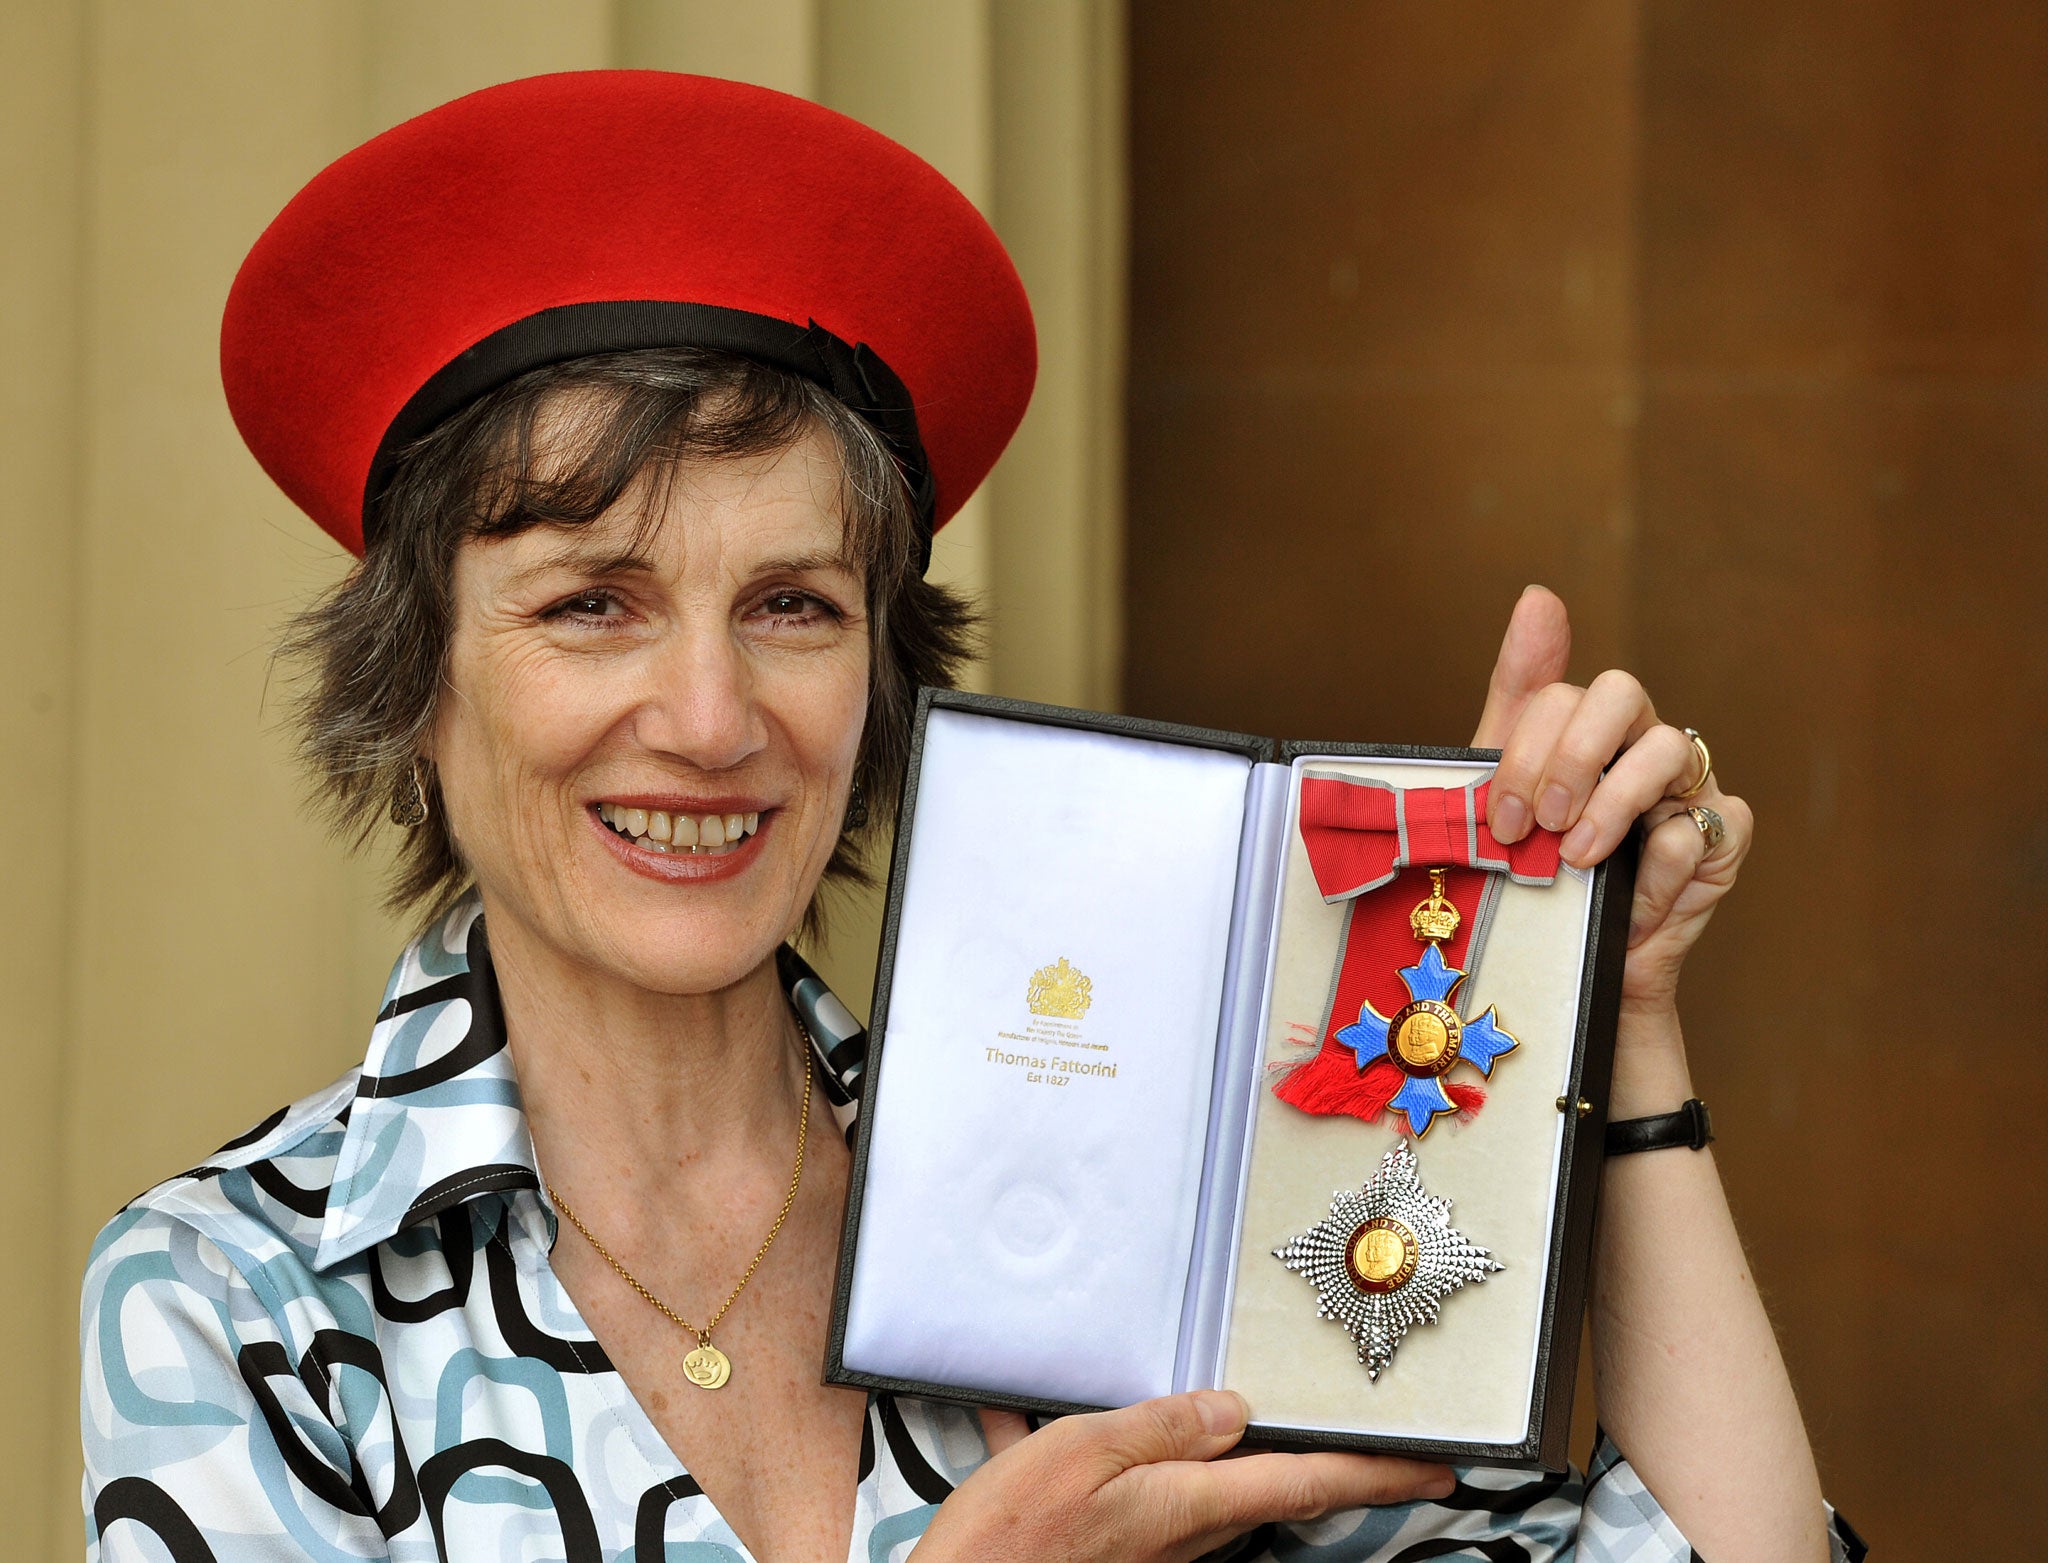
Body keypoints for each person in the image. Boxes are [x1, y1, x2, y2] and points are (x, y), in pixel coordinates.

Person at [78, 71, 1857, 1563]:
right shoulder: (243, 1294)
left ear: (880, 686)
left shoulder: (1115, 1196)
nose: (709, 722)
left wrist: (1606, 1008)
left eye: (792, 608)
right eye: (589, 604)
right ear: (420, 683)